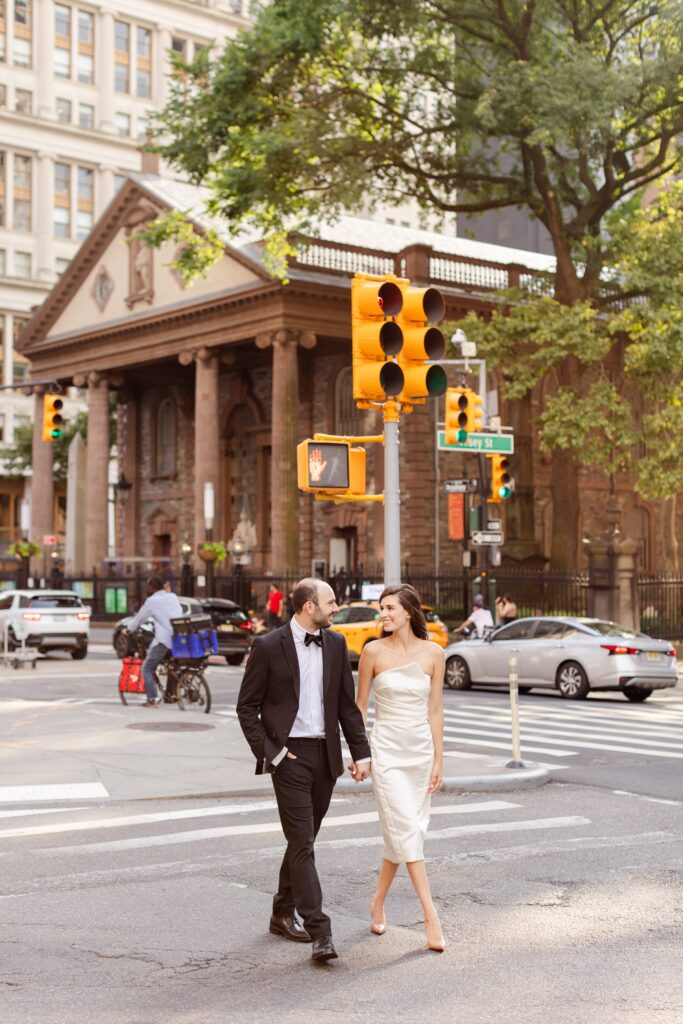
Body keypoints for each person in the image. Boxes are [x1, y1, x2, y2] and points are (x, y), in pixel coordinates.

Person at [236, 577, 371, 964]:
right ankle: (320, 930)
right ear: (308, 606)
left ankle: (281, 911)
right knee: (302, 843)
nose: (335, 607)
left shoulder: (336, 643)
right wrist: (272, 754)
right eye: (330, 602)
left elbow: (347, 706)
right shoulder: (267, 646)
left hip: (325, 757)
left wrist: (361, 753)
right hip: (289, 758)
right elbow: (247, 707)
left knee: (302, 841)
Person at [355, 583, 446, 952]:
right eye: (382, 608)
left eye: (390, 608)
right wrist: (359, 754)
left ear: (409, 611)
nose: (384, 614)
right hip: (387, 753)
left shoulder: (434, 653)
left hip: (419, 752)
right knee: (407, 828)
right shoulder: (372, 651)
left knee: (404, 833)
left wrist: (440, 758)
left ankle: (377, 901)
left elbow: (436, 710)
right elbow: (359, 707)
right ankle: (430, 913)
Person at [125, 575, 183, 707]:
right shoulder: (172, 596)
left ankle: (152, 699)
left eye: (148, 586)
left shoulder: (152, 601)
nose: (147, 589)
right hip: (179, 639)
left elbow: (138, 619)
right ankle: (171, 694)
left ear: (152, 587)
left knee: (147, 668)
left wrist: (128, 630)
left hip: (165, 640)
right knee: (171, 665)